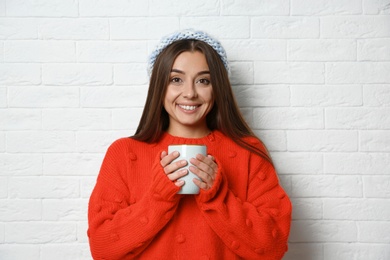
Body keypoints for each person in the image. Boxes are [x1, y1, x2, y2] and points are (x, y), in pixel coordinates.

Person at [87, 29, 292, 260]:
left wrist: (219, 197)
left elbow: (273, 247)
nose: (190, 93)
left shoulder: (248, 151)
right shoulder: (124, 153)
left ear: (218, 88)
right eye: (176, 80)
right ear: (159, 86)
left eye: (203, 81)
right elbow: (102, 249)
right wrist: (158, 198)